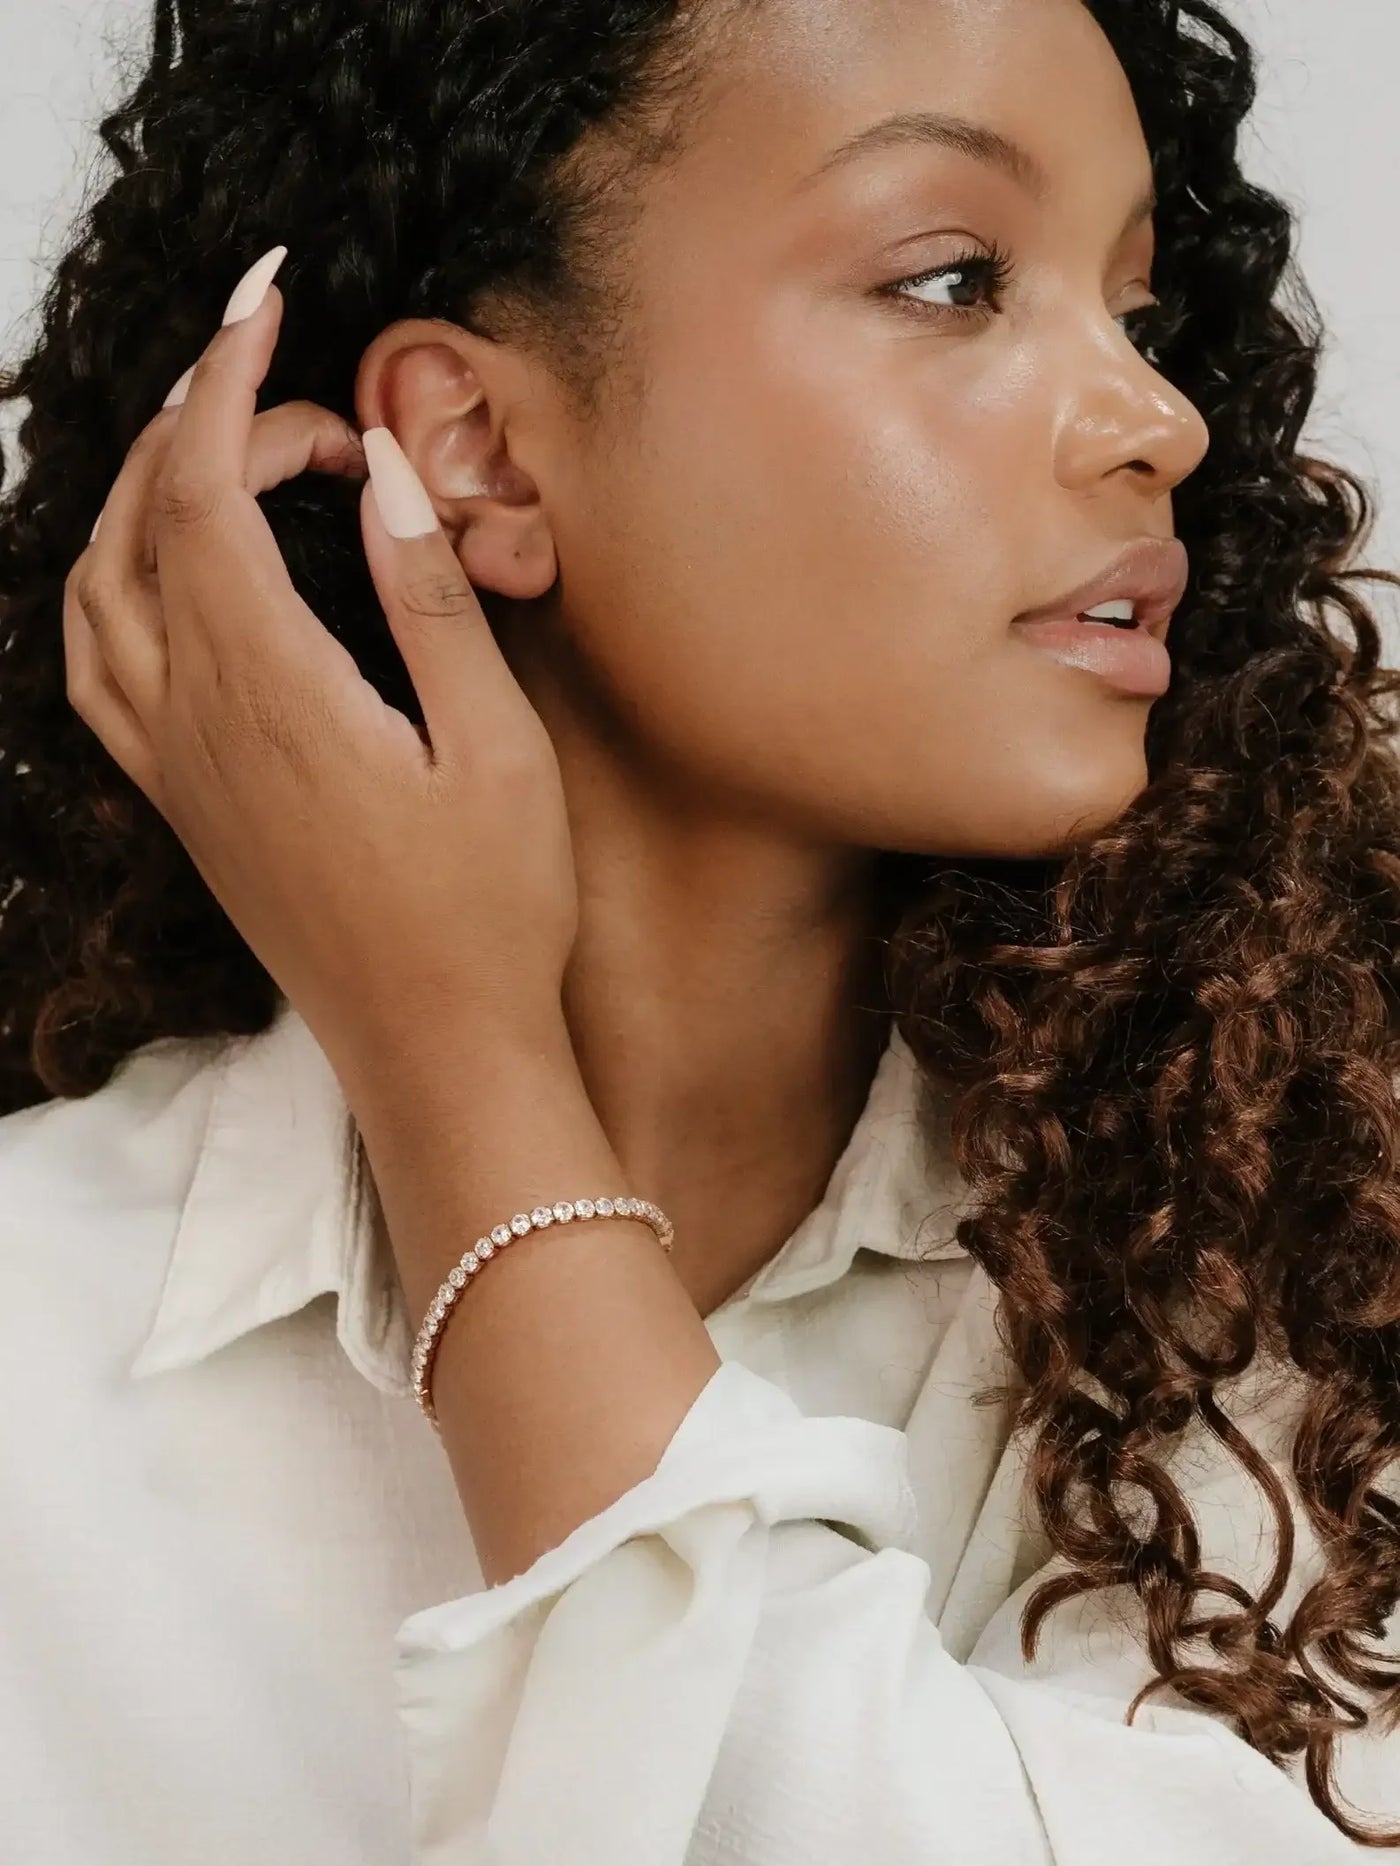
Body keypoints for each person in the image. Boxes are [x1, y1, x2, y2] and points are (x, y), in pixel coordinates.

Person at [1, 0, 1398, 1858]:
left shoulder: (1308, 1290)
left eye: (1133, 311)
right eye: (957, 276)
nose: (1161, 417)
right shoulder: (36, 1333)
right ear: (480, 445)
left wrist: (459, 1062)